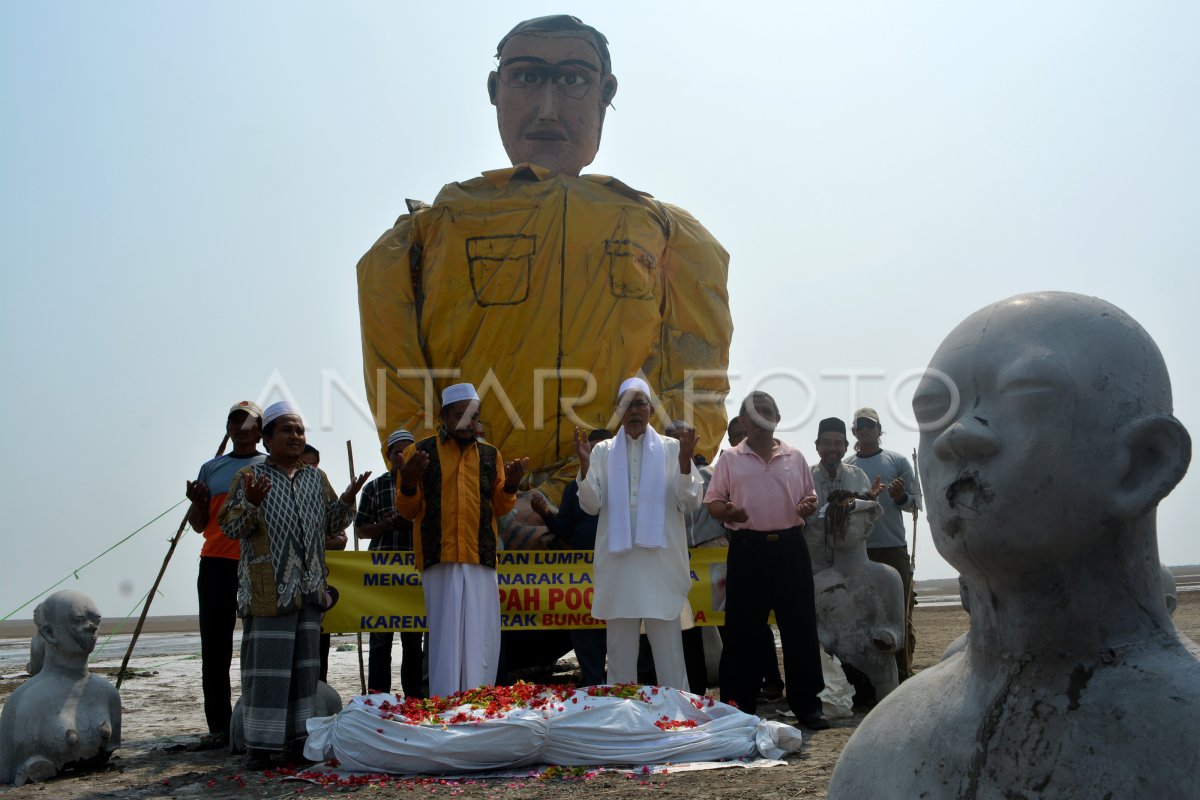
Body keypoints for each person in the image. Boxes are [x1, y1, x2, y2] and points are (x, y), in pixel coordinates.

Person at [828, 292, 1199, 799]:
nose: (956, 435)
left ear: (1144, 462)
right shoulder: (880, 752)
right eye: (934, 412)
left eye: (1027, 395)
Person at [357, 15, 732, 499]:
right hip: (472, 507)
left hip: (620, 499)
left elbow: (697, 385)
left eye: (574, 79)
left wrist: (595, 487)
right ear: (496, 88)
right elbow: (399, 385)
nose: (548, 109)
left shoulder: (669, 234)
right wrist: (471, 489)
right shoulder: (426, 234)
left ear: (606, 90)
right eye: (528, 77)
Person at [218, 402, 369, 770]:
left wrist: (348, 498)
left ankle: (302, 740)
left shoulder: (315, 478)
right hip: (269, 591)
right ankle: (261, 747)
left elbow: (333, 522)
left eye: (300, 431)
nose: (296, 437)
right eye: (287, 430)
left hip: (309, 591)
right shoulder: (249, 478)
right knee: (267, 673)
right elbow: (231, 528)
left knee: (304, 673)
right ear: (267, 438)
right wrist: (251, 504)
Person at [705, 391, 828, 730]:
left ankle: (807, 705)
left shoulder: (795, 456)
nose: (761, 417)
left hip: (790, 548)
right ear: (743, 422)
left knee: (800, 627)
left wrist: (807, 506)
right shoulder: (730, 459)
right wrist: (727, 511)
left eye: (768, 411)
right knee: (743, 630)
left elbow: (809, 497)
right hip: (747, 549)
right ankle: (738, 706)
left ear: (777, 418)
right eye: (754, 413)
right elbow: (713, 502)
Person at [395, 383, 527, 697]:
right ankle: (445, 703)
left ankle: (479, 702)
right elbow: (407, 509)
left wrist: (511, 486)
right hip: (439, 557)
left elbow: (499, 507)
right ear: (444, 416)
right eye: (461, 414)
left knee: (481, 636)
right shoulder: (420, 452)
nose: (469, 421)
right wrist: (410, 483)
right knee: (445, 638)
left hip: (481, 558)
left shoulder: (490, 454)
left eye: (474, 415)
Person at [576, 378, 704, 690]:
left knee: (670, 654)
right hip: (619, 566)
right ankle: (622, 722)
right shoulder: (602, 452)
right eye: (627, 405)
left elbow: (689, 502)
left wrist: (685, 464)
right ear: (618, 411)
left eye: (640, 404)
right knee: (619, 655)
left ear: (650, 410)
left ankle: (677, 721)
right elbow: (591, 505)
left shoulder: (673, 449)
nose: (633, 411)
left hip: (660, 564)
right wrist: (583, 467)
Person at [184, 400, 265, 749]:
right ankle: (218, 726)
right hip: (216, 561)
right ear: (228, 428)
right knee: (215, 648)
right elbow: (199, 524)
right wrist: (199, 502)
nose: (243, 428)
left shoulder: (270, 465)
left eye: (250, 423)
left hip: (259, 563)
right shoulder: (211, 468)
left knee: (258, 644)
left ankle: (257, 719)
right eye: (237, 421)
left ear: (261, 430)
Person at [529, 428, 612, 687]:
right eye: (591, 450)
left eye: (601, 451)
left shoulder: (625, 483)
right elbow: (565, 530)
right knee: (587, 632)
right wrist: (545, 515)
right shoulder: (572, 489)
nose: (594, 456)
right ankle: (592, 688)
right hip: (583, 574)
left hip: (618, 568)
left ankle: (625, 688)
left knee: (623, 631)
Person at [844, 407, 921, 680]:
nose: (865, 429)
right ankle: (866, 679)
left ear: (879, 430)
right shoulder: (848, 466)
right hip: (858, 549)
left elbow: (915, 505)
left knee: (899, 613)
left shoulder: (898, 462)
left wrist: (900, 497)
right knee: (862, 616)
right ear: (854, 431)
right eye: (860, 425)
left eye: (870, 425)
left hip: (892, 547)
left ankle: (902, 674)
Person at [354, 429, 425, 698]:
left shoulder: (425, 486)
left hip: (413, 573)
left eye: (409, 451)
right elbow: (360, 529)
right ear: (389, 456)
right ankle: (378, 698)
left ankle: (414, 699)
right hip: (381, 575)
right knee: (380, 640)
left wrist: (411, 524)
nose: (403, 456)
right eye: (398, 451)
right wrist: (384, 525)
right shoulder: (375, 487)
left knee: (412, 641)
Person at [294, 442, 349, 682]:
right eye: (304, 465)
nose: (309, 469)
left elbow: (339, 532)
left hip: (317, 581)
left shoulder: (321, 484)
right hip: (287, 585)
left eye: (314, 465)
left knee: (318, 645)